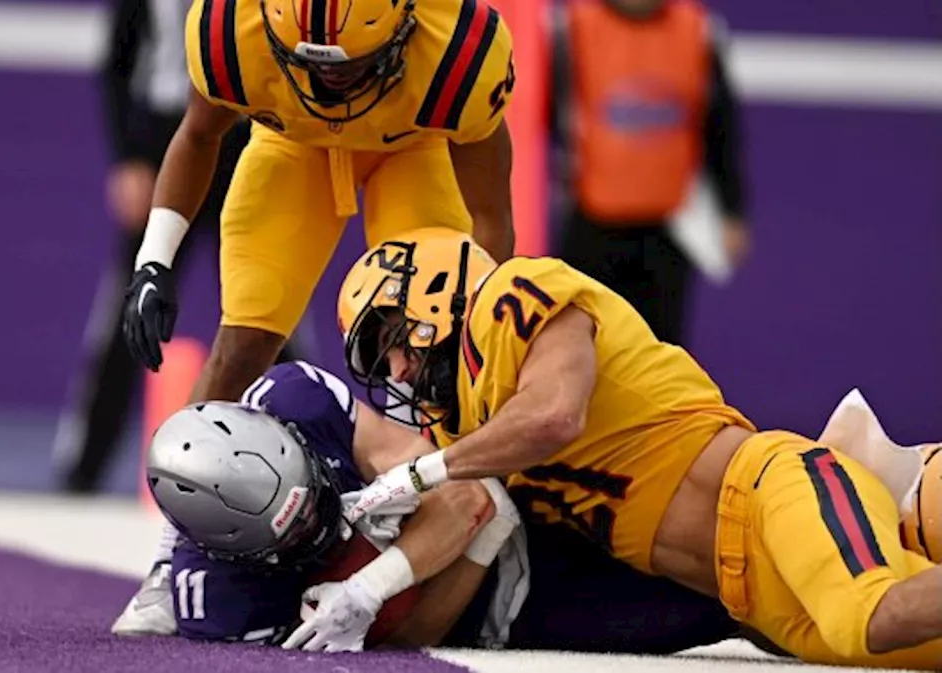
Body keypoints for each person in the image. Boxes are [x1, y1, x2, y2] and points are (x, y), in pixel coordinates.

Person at [323, 227, 942, 668]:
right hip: (758, 602)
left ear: (433, 290)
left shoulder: (513, 295)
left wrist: (422, 472)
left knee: (873, 614)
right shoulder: (463, 429)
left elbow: (554, 415)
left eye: (392, 341)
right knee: (889, 633)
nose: (398, 372)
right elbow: (471, 515)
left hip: (763, 493)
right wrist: (372, 586)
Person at [114, 0, 520, 622]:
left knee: (432, 342)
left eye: (352, 66)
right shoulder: (235, 29)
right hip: (291, 147)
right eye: (312, 66)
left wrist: (480, 324)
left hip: (413, 150)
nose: (331, 82)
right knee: (242, 344)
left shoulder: (455, 55)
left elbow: (492, 214)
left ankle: (436, 545)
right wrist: (154, 259)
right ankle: (172, 562)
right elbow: (199, 132)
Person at [131, 360, 739, 654]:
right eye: (294, 536)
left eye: (315, 495)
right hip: (500, 616)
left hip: (533, 502)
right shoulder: (222, 601)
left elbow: (467, 492)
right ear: (231, 551)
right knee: (733, 607)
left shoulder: (296, 400)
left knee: (726, 538)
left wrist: (368, 588)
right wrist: (465, 552)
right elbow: (410, 640)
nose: (320, 523)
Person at [52, 0, 311, 493]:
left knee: (270, 311)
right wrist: (127, 155)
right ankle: (83, 468)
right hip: (167, 138)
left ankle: (315, 449)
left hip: (244, 142)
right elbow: (119, 58)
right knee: (134, 304)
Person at [548, 0, 748, 345]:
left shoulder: (698, 30)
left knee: (660, 352)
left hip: (667, 232)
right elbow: (536, 119)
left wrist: (733, 210)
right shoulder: (569, 28)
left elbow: (720, 126)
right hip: (590, 225)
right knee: (577, 347)